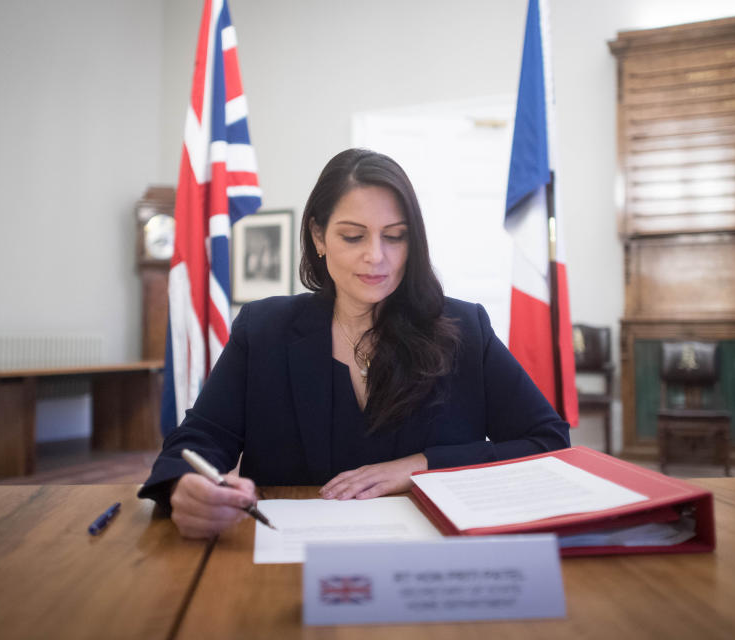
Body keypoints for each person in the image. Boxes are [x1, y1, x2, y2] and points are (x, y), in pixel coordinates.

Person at [139, 148, 570, 539]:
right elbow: (199, 439)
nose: (376, 256)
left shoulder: (465, 327)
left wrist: (420, 466)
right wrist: (184, 486)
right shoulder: (264, 329)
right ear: (318, 237)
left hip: (430, 564)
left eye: (394, 236)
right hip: (287, 562)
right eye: (353, 236)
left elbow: (548, 442)